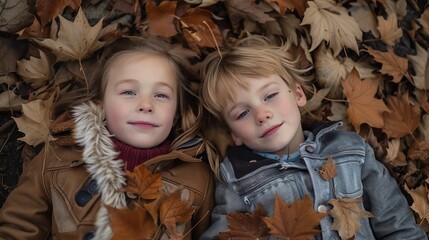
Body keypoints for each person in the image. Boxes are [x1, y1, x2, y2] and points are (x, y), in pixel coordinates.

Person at [198, 35, 426, 239]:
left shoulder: (349, 149)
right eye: (243, 113)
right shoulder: (238, 181)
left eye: (270, 95)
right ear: (234, 135)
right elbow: (225, 234)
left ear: (298, 94)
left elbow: (396, 223)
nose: (262, 114)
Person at [0, 36, 214, 240]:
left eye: (161, 95)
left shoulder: (196, 178)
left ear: (176, 111)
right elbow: (18, 229)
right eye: (129, 92)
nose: (146, 105)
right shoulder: (58, 158)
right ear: (100, 104)